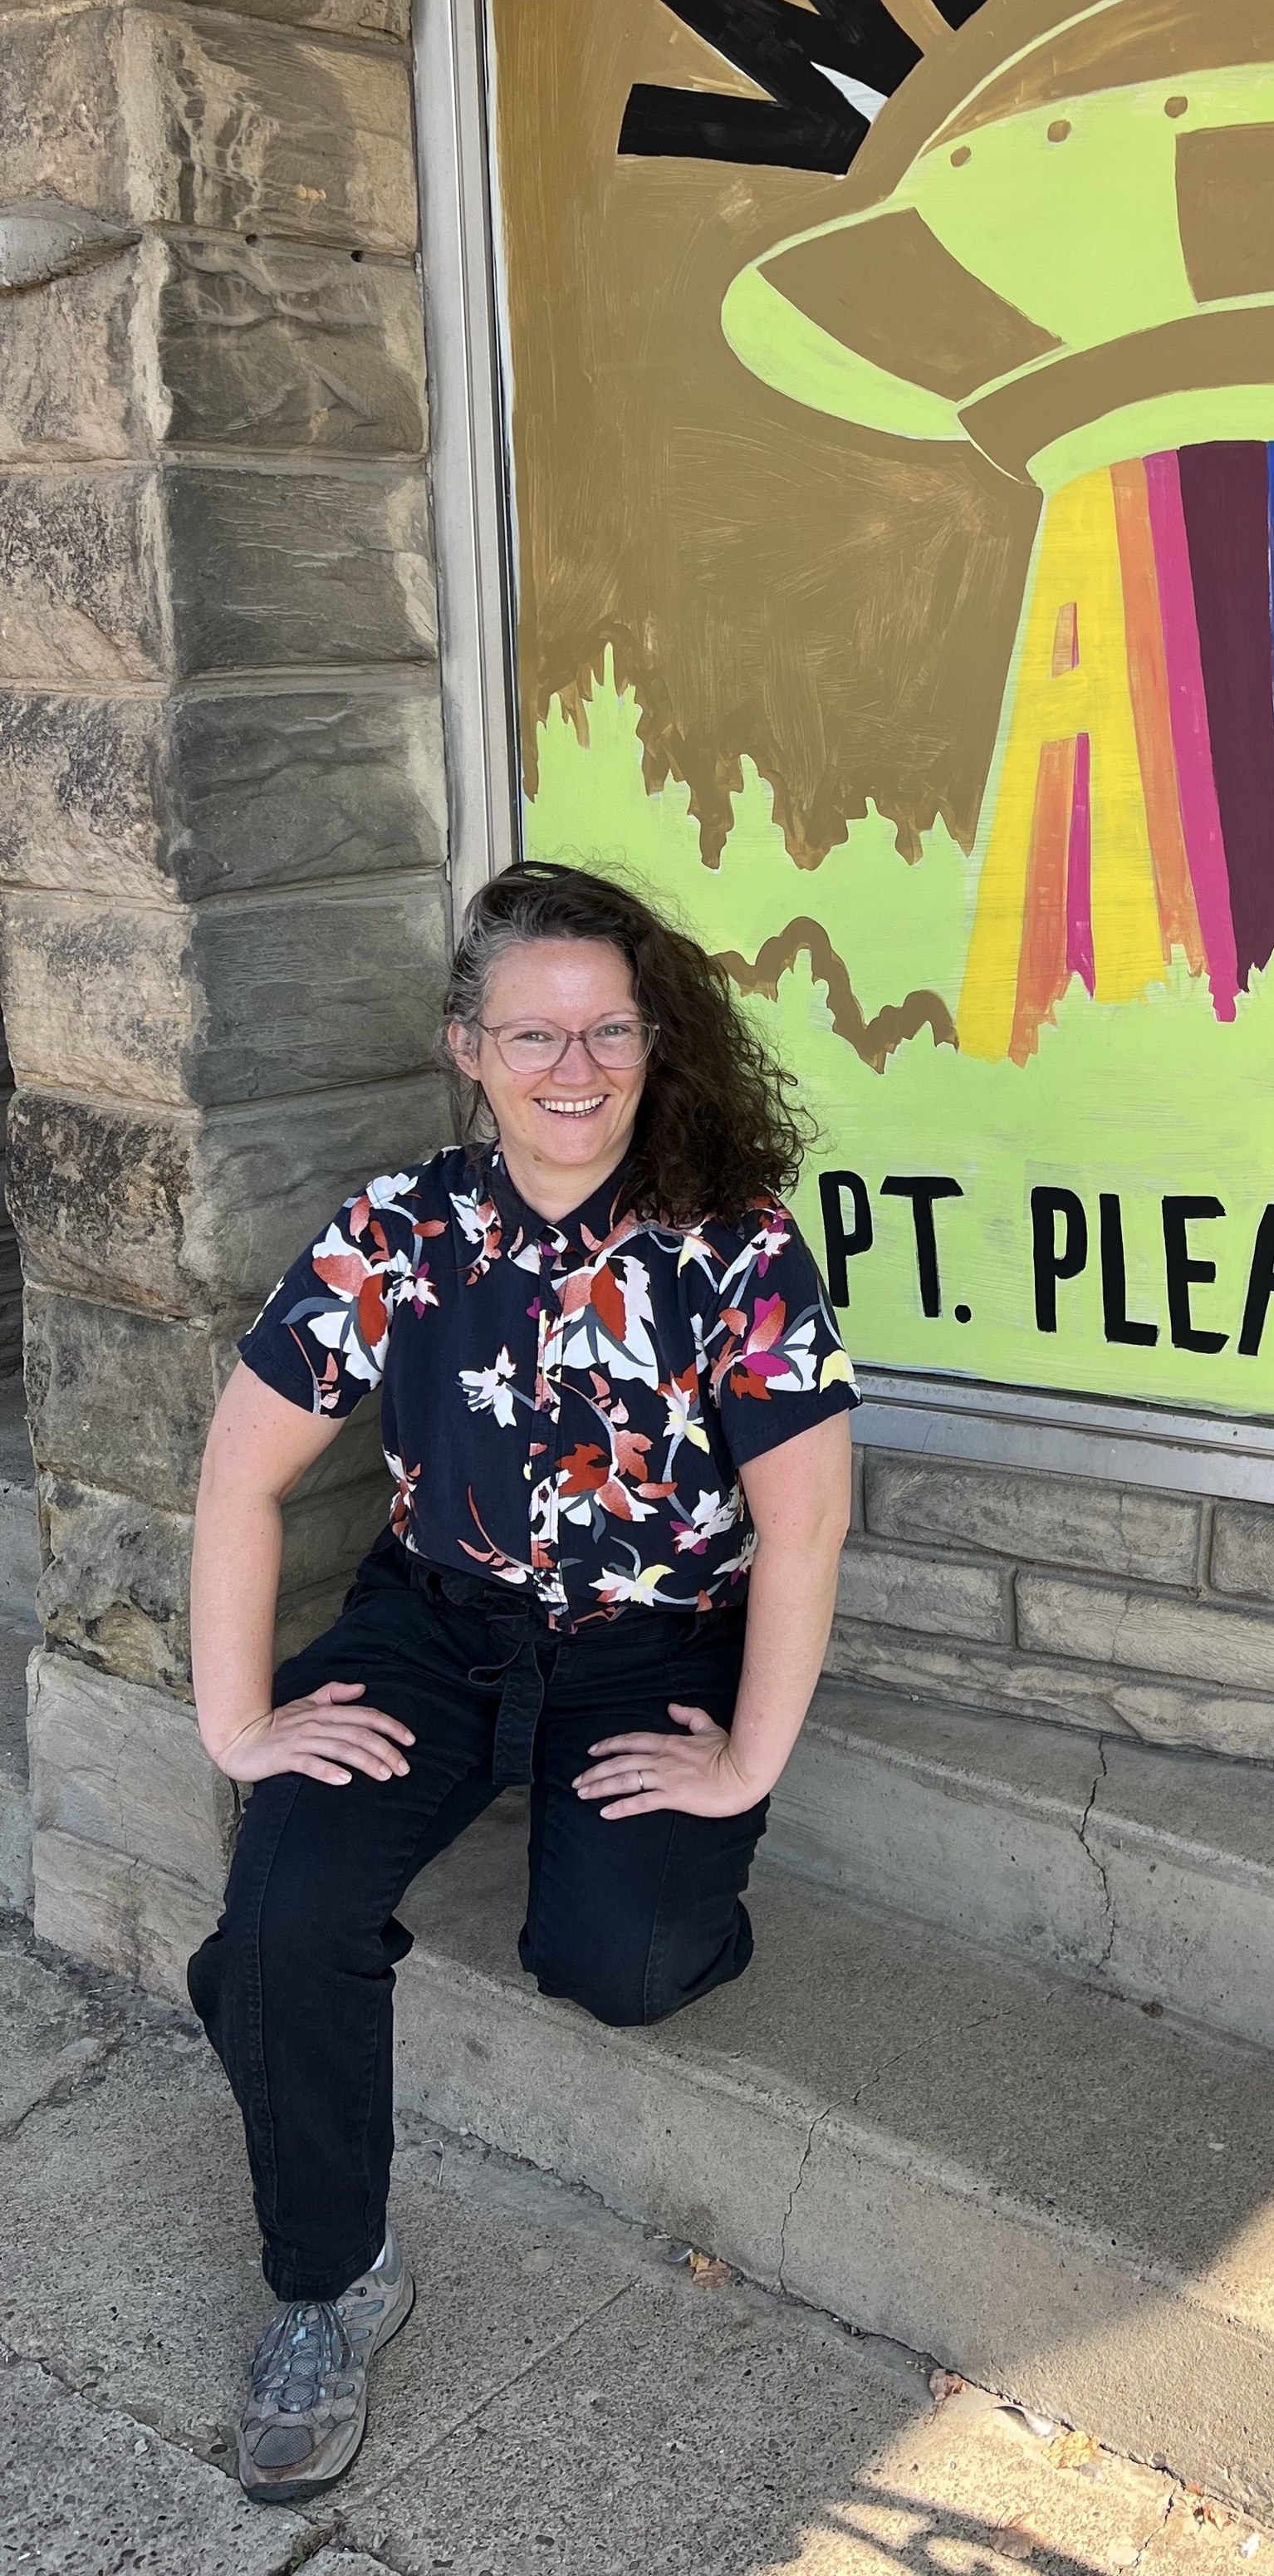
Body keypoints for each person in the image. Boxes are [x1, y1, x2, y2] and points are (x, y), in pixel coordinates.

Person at [184, 861, 856, 2503]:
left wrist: (746, 1762)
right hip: (439, 1623)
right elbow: (240, 1475)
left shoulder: (733, 1247)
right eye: (533, 1031)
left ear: (653, 1037)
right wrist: (238, 1723)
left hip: (653, 1639)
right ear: (466, 1046)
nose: (576, 1064)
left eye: (608, 1026)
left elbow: (808, 1523)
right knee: (284, 1907)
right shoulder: (401, 1230)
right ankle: (328, 2280)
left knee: (620, 1958)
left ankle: (664, 1879)